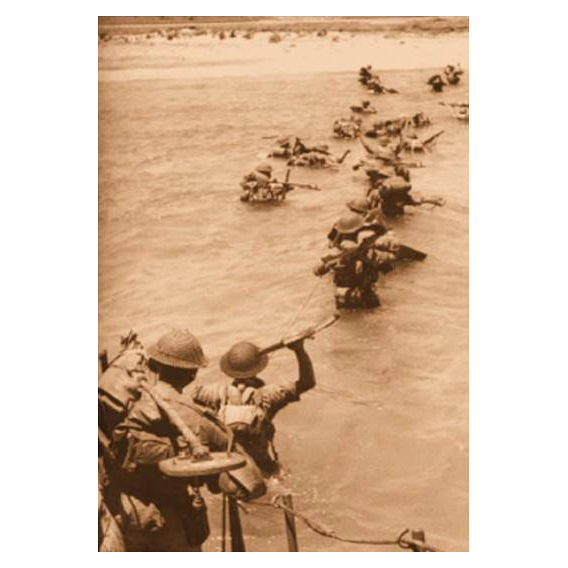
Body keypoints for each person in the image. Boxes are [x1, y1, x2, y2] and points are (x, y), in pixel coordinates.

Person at [98, 329, 266, 552]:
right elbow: (252, 486)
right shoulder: (197, 419)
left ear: (154, 365)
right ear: (192, 375)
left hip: (120, 514)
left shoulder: (123, 398)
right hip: (166, 525)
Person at [191, 339, 315, 477]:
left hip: (229, 465)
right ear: (258, 368)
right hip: (262, 465)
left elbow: (192, 394)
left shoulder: (214, 393)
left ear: (229, 369)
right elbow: (307, 382)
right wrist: (299, 349)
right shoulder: (269, 395)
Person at [315, 214, 396, 309]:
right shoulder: (366, 252)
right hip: (365, 298)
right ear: (358, 231)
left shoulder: (333, 254)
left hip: (342, 298)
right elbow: (387, 264)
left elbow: (316, 271)